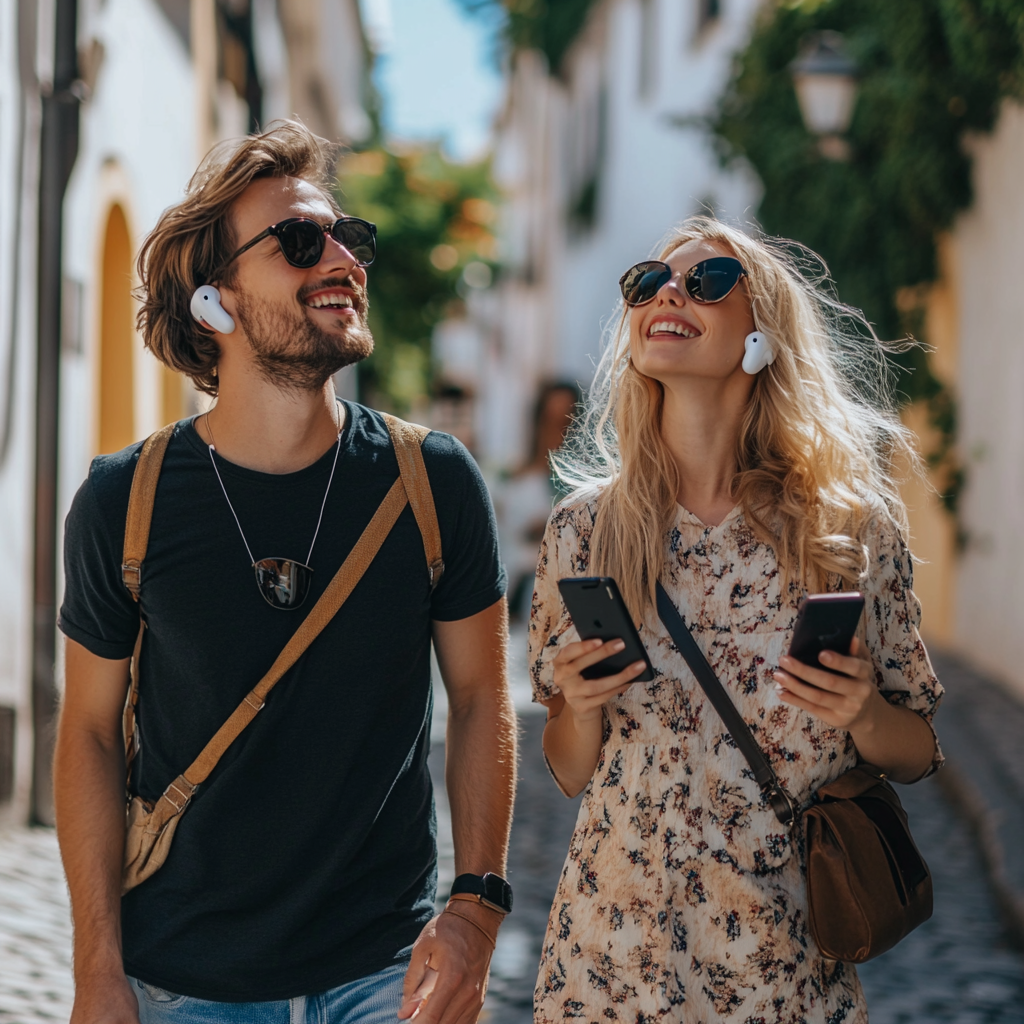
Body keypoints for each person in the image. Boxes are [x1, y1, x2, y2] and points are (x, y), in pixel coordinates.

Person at [54, 120, 516, 1024]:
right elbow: (90, 735)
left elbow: (480, 700)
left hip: (388, 975)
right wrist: (95, 973)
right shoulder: (124, 502)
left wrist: (476, 907)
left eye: (350, 238)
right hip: (181, 981)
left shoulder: (434, 482)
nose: (343, 259)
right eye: (302, 242)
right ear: (214, 300)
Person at [528, 217, 943, 1023]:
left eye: (708, 282)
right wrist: (578, 706)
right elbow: (573, 770)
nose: (668, 294)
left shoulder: (846, 532)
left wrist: (862, 712)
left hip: (780, 961)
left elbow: (919, 750)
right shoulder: (585, 531)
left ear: (763, 336)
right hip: (614, 957)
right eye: (648, 283)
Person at [494, 382, 579, 620]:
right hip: (516, 597)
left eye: (566, 422)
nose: (558, 431)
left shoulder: (584, 483)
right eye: (550, 420)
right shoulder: (511, 479)